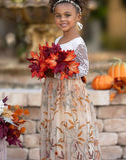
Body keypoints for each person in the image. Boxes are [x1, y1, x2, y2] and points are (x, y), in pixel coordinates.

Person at [39, 0, 102, 159]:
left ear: (78, 17)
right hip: (56, 93)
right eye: (58, 15)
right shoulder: (57, 41)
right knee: (58, 127)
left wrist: (61, 71)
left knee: (72, 128)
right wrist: (46, 69)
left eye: (67, 15)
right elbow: (52, 64)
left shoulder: (78, 42)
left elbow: (84, 68)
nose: (62, 19)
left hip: (71, 94)